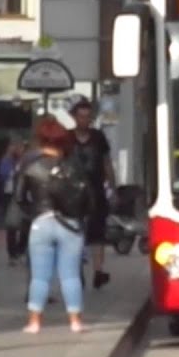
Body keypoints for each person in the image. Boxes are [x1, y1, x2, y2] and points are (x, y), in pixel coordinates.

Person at [16, 116, 92, 333]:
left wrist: (35, 215)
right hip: (70, 225)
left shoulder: (30, 167)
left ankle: (34, 322)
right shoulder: (74, 167)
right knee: (70, 275)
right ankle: (75, 321)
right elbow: (90, 199)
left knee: (39, 276)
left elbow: (20, 198)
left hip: (41, 222)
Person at [67, 98, 114, 289]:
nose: (84, 120)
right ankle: (77, 269)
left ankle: (98, 270)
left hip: (96, 191)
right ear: (74, 118)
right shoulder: (67, 138)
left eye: (87, 117)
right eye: (81, 117)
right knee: (74, 232)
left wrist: (112, 184)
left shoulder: (98, 137)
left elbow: (106, 162)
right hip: (72, 193)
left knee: (98, 234)